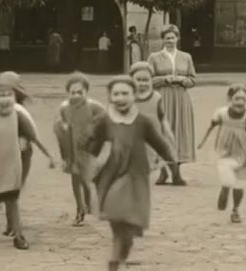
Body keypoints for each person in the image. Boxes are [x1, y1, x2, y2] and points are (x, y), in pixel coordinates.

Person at [88, 75, 179, 271]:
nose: (120, 97)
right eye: (116, 94)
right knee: (116, 215)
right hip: (111, 175)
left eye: (125, 93)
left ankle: (120, 255)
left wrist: (171, 157)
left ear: (134, 95)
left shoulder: (142, 121)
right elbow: (92, 144)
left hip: (136, 175)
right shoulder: (104, 119)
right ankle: (115, 258)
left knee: (129, 225)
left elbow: (158, 141)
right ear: (110, 96)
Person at [0, 71, 55, 251]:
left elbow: (33, 135)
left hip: (18, 160)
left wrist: (48, 155)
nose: (5, 99)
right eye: (0, 94)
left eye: (9, 94)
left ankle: (17, 234)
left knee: (12, 197)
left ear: (17, 96)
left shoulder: (19, 115)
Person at [196, 83, 246, 223]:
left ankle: (236, 210)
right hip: (225, 149)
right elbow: (211, 127)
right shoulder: (222, 113)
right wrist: (202, 141)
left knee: (240, 182)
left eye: (244, 99)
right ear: (230, 99)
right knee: (226, 173)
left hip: (245, 151)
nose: (240, 102)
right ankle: (225, 189)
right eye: (237, 98)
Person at [53, 72, 106, 225]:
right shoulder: (65, 107)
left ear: (86, 92)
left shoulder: (93, 106)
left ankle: (91, 202)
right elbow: (62, 124)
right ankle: (80, 208)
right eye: (72, 92)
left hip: (88, 148)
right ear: (67, 92)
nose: (76, 95)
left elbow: (106, 119)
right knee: (75, 178)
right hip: (72, 147)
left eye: (80, 92)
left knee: (86, 178)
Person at [146, 25, 197, 185]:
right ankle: (163, 172)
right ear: (163, 39)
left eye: (172, 37)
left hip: (181, 98)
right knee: (163, 132)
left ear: (177, 38)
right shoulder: (154, 57)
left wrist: (183, 80)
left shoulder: (186, 57)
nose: (170, 41)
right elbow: (148, 80)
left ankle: (177, 173)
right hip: (162, 96)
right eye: (167, 38)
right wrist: (165, 79)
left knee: (180, 131)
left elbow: (193, 79)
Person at [129, 61, 174, 184]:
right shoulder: (128, 97)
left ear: (151, 81)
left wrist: (168, 132)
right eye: (138, 80)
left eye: (146, 80)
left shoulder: (156, 97)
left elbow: (162, 117)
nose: (142, 83)